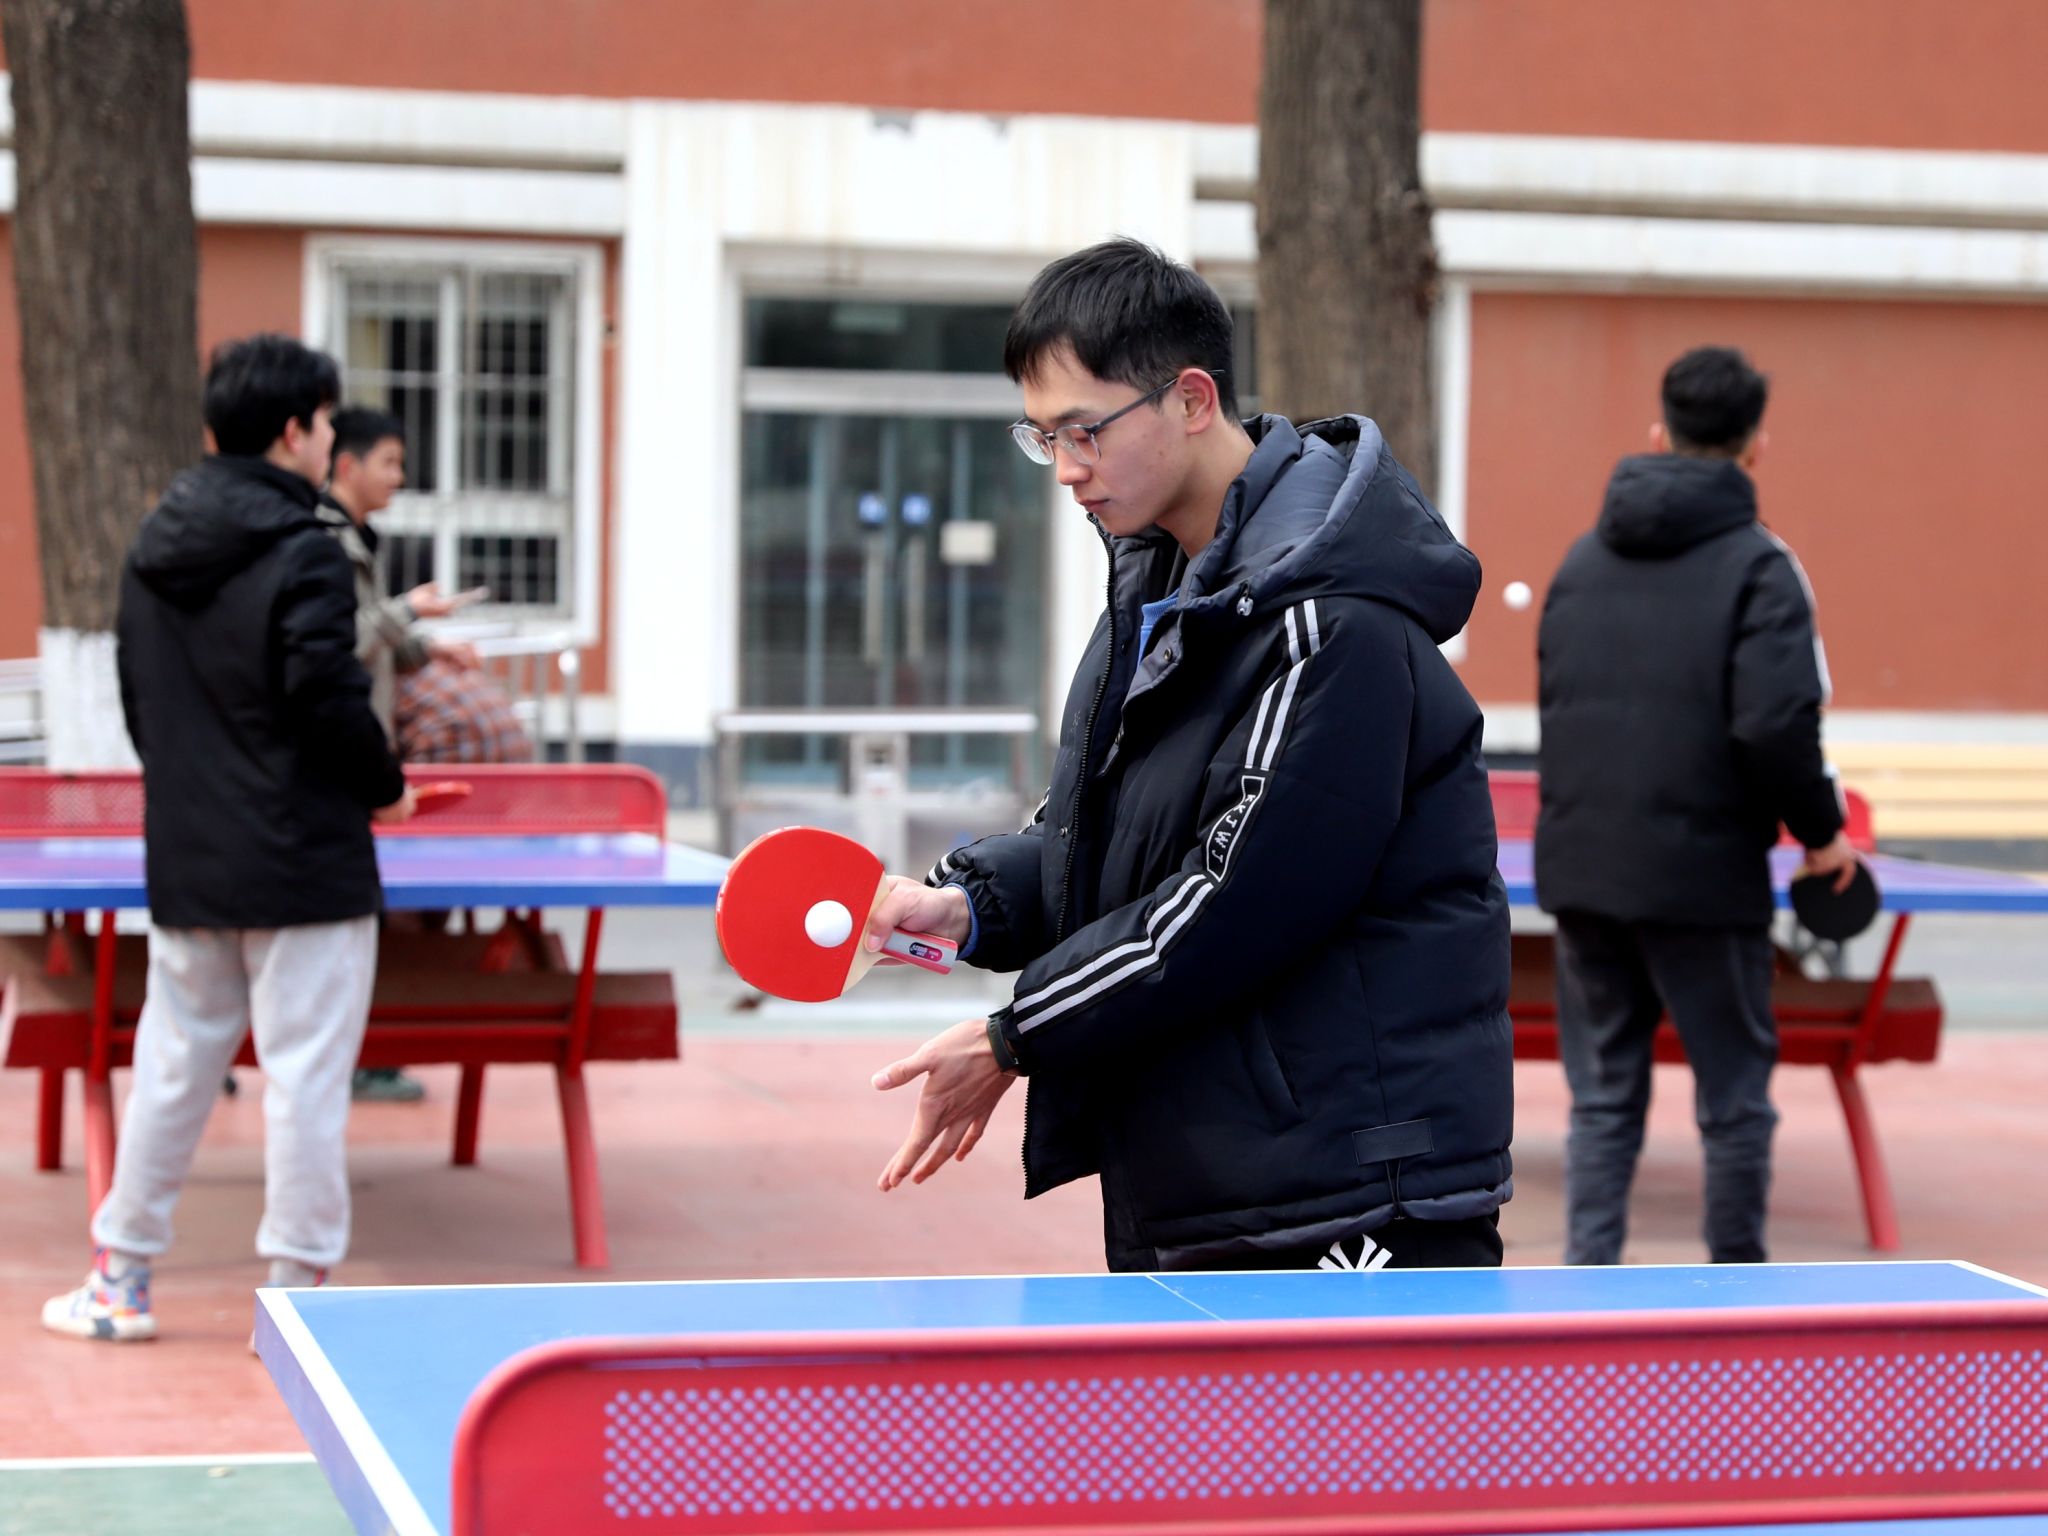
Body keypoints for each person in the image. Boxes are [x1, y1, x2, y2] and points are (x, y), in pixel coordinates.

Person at [864, 239, 1514, 1274]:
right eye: (1042, 437)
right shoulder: (1164, 590)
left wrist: (1014, 1037)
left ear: (1192, 399)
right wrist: (967, 905)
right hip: (1217, 1165)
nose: (1065, 468)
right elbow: (1109, 831)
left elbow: (1230, 902)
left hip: (1347, 1188)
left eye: (1084, 430)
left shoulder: (1330, 626)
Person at [42, 334, 416, 1342]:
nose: (332, 439)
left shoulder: (152, 545)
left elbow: (138, 699)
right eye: (327, 423)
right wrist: (385, 789)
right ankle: (293, 1307)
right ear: (295, 431)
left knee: (172, 1068)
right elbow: (327, 698)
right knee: (304, 1080)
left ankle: (120, 1279)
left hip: (192, 853)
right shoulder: (307, 548)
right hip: (306, 864)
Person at [1534, 345, 1860, 1266]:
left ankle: (1589, 1294)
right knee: (1734, 1102)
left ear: (1658, 435)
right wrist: (1823, 834)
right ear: (1756, 446)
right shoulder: (1763, 569)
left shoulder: (1580, 562)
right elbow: (1777, 727)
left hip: (1585, 871)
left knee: (1602, 1102)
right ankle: (1737, 1300)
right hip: (1705, 881)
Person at [320, 407, 480, 1104]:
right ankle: (354, 1058)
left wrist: (429, 646)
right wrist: (408, 610)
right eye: (388, 461)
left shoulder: (357, 539)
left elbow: (374, 641)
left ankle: (366, 1052)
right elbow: (340, 643)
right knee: (350, 919)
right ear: (345, 464)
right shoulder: (320, 541)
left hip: (365, 752)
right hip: (339, 757)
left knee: (375, 915)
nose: (398, 476)